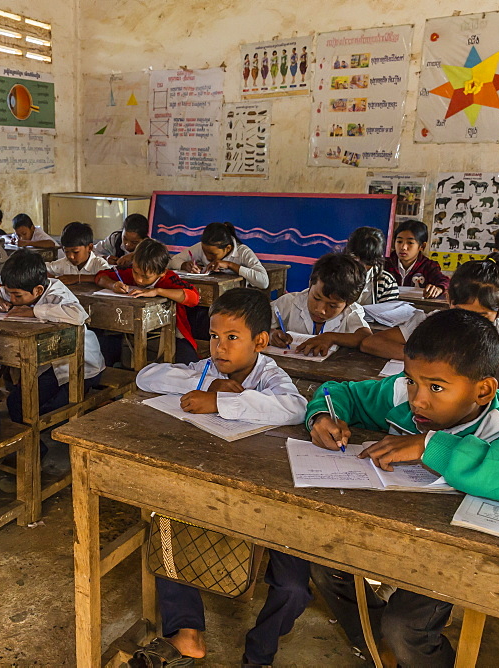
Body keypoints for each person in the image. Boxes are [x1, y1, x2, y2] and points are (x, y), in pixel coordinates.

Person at [308, 309, 499, 666]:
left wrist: (432, 447)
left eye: (436, 387)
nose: (418, 399)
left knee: (405, 626)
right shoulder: (402, 396)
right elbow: (336, 391)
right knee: (324, 563)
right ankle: (378, 647)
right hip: (392, 526)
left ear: (483, 391)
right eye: (412, 380)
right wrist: (324, 416)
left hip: (450, 551)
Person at [131, 288, 308, 668]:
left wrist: (224, 401)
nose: (219, 348)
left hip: (266, 498)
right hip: (210, 490)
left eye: (232, 338)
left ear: (260, 341)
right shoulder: (207, 370)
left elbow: (295, 409)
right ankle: (186, 631)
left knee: (294, 586)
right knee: (168, 516)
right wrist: (203, 387)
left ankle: (260, 651)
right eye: (213, 336)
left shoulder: (270, 376)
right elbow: (148, 376)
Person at [362, 254, 499, 375]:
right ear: (449, 301)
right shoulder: (432, 324)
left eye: (482, 316)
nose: (469, 323)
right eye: (462, 312)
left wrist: (493, 359)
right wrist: (430, 358)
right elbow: (370, 343)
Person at [0, 250, 105, 423]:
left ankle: (38, 445)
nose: (12, 299)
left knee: (25, 407)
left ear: (38, 290)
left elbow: (78, 315)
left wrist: (32, 311)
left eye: (17, 295)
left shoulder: (57, 293)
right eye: (9, 293)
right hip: (45, 365)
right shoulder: (19, 286)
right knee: (20, 401)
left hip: (77, 369)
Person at [95, 239, 201, 364]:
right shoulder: (129, 274)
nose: (139, 280)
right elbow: (100, 276)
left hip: (173, 335)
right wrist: (112, 285)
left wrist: (157, 291)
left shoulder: (169, 279)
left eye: (145, 277)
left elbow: (194, 297)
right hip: (131, 334)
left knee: (188, 366)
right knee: (104, 352)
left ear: (162, 272)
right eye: (136, 272)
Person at [269, 253, 371, 355]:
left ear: (348, 303)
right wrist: (269, 333)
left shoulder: (350, 312)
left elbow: (365, 337)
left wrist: (331, 337)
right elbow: (254, 322)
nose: (320, 310)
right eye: (316, 298)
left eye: (332, 305)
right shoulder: (289, 302)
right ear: (310, 284)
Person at [169, 221, 269, 289]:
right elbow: (174, 260)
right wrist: (184, 265)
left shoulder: (242, 252)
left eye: (212, 254)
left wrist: (230, 265)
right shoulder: (201, 247)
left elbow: (264, 282)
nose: (208, 257)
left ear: (228, 248)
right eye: (205, 252)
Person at [384, 220, 448, 298]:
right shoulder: (385, 264)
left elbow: (445, 281)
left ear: (422, 246)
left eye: (410, 243)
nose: (403, 247)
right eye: (399, 241)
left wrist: (439, 288)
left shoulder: (428, 266)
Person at [344, 226, 399, 305]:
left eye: (367, 261)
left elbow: (388, 314)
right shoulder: (335, 275)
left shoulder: (386, 281)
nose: (361, 265)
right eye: (355, 258)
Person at [46, 221, 110, 283]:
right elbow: (42, 268)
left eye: (75, 252)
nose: (70, 256)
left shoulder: (98, 264)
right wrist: (50, 277)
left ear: (90, 247)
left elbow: (109, 278)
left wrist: (78, 278)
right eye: (66, 251)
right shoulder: (64, 263)